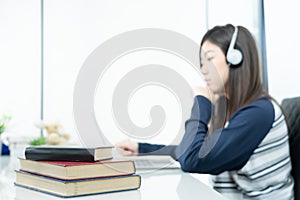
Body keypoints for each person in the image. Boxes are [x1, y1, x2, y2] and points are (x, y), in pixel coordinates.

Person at [115, 24, 294, 199]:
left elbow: (192, 159)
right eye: (202, 63)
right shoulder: (238, 111)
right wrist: (143, 149)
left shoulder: (257, 114)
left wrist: (202, 103)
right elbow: (193, 150)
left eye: (210, 59)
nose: (203, 69)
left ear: (235, 58)